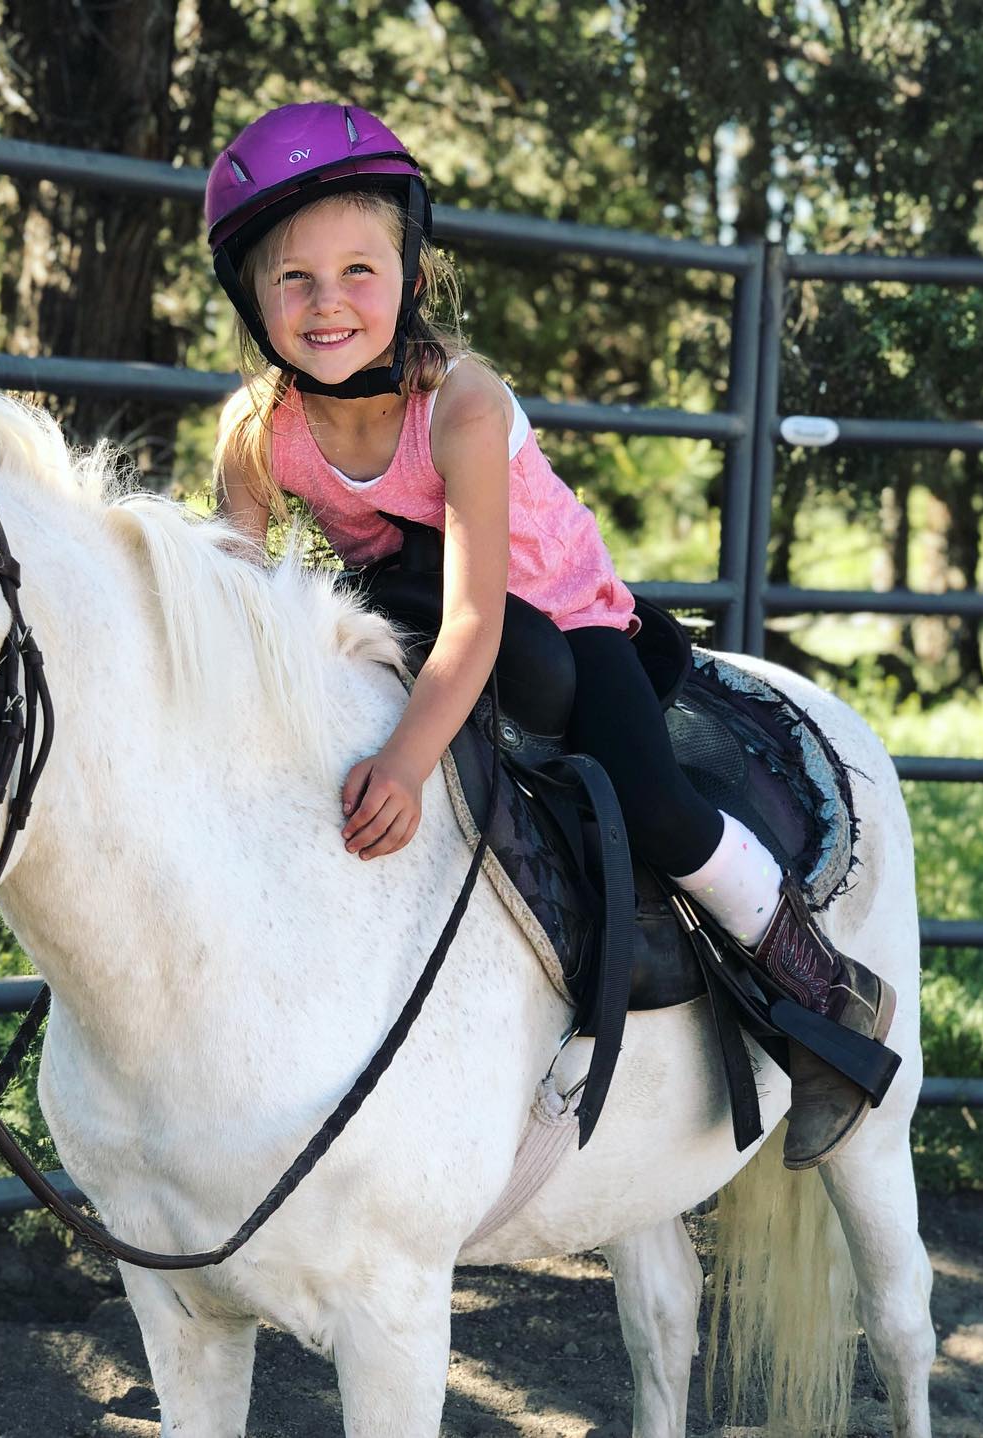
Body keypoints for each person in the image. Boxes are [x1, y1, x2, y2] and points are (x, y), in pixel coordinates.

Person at [205, 101, 896, 1168]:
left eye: (358, 271)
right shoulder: (257, 429)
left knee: (656, 802)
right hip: (404, 604)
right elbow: (238, 594)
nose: (326, 302)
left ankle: (821, 986)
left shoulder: (461, 405)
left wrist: (404, 758)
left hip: (557, 622)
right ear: (252, 297)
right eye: (292, 278)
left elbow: (482, 617)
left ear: (413, 277)